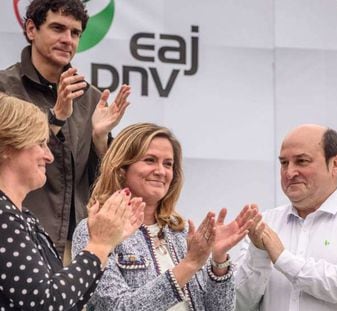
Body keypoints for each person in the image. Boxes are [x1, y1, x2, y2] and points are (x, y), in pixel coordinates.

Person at [72, 123, 255, 310]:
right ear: (121, 168)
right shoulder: (95, 229)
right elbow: (117, 307)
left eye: (168, 164)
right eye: (150, 160)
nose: (161, 171)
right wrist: (189, 264)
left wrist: (219, 262)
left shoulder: (181, 232)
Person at [0, 0, 131, 260]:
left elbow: (102, 183)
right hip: (16, 233)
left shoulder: (92, 98)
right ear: (31, 29)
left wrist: (101, 140)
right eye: (57, 28)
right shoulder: (5, 89)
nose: (67, 39)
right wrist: (56, 118)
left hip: (78, 244)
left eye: (74, 33)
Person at [0, 93, 145, 310]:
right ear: (7, 147)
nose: (49, 157)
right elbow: (45, 303)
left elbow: (69, 302)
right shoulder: (3, 215)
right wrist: (99, 245)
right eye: (40, 143)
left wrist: (104, 246)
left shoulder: (24, 217)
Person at [235, 124, 337, 311]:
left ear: (335, 164)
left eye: (302, 161)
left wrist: (284, 258)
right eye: (284, 163)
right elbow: (239, 304)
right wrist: (258, 253)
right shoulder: (264, 223)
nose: (289, 173)